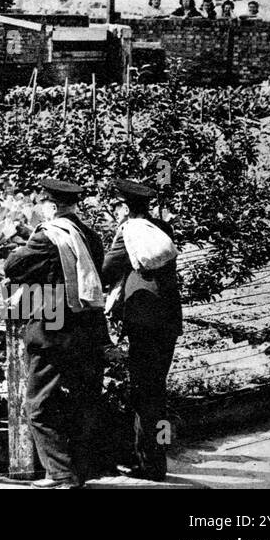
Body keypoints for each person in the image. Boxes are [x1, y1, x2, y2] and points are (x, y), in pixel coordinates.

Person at [3, 178, 107, 488]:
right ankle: (77, 470)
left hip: (53, 328)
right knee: (82, 400)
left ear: (51, 206)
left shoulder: (48, 238)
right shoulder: (90, 236)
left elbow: (13, 266)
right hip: (88, 328)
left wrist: (19, 239)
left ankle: (62, 475)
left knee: (39, 404)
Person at [103, 179, 182, 482]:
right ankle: (157, 459)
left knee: (145, 392)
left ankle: (150, 465)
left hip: (144, 320)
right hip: (168, 319)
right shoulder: (162, 229)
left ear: (124, 206)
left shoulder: (129, 233)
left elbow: (106, 270)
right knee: (157, 390)